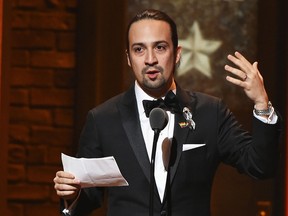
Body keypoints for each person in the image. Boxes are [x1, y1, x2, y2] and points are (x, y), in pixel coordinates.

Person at [53, 9, 281, 216]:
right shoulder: (102, 119)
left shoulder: (210, 112)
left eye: (160, 47)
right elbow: (88, 200)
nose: (150, 59)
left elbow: (260, 166)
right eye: (139, 49)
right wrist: (71, 195)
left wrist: (262, 103)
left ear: (177, 53)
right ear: (128, 59)